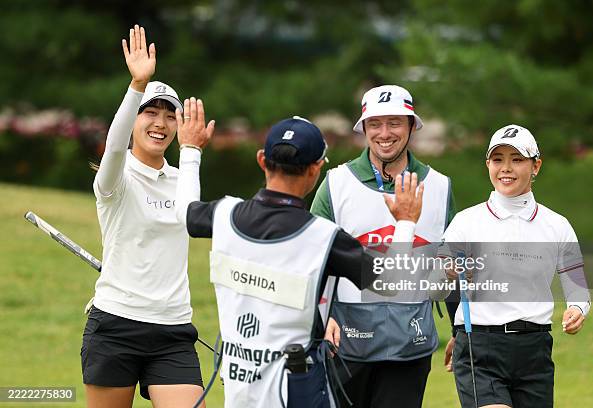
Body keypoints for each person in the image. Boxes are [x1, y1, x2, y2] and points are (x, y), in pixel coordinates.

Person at [174, 107, 426, 407]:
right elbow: (392, 281)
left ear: (262, 161)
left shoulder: (225, 214)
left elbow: (184, 212)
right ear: (315, 169)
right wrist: (406, 222)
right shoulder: (324, 237)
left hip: (239, 388)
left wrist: (190, 150)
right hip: (298, 391)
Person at [310, 84, 457, 408]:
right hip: (346, 343)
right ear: (363, 128)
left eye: (395, 123)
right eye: (375, 124)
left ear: (410, 127)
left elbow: (451, 265)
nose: (384, 133)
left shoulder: (440, 186)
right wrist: (317, 319)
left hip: (411, 342)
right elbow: (310, 259)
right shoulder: (336, 183)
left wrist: (461, 330)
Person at [81, 25, 204, 408]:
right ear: (133, 119)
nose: (160, 123)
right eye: (149, 113)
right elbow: (114, 148)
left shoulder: (182, 178)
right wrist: (137, 85)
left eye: (170, 116)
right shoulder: (114, 180)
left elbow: (192, 219)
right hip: (115, 325)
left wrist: (193, 151)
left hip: (173, 331)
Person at [441, 124, 591, 407]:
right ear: (488, 164)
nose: (506, 168)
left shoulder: (556, 225)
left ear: (536, 166)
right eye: (498, 160)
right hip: (479, 346)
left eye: (517, 159)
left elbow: (578, 288)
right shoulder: (465, 221)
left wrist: (576, 309)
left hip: (534, 350)